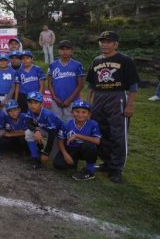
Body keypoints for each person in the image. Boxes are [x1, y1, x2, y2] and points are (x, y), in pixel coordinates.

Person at [86, 31, 139, 184]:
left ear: (116, 44)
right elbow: (91, 84)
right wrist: (89, 102)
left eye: (108, 42)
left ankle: (116, 168)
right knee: (100, 131)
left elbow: (133, 85)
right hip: (99, 97)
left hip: (117, 97)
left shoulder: (125, 60)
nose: (104, 44)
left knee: (117, 133)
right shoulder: (96, 61)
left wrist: (130, 105)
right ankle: (107, 162)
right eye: (102, 41)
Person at [54, 101, 101, 181]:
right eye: (77, 111)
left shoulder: (93, 124)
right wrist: (65, 154)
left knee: (90, 146)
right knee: (58, 165)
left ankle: (90, 170)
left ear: (89, 114)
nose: (80, 115)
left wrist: (77, 136)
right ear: (72, 112)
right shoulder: (67, 124)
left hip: (84, 149)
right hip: (71, 148)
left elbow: (97, 141)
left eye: (84, 112)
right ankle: (73, 162)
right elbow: (60, 140)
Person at [24, 91, 65, 169]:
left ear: (41, 104)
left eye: (35, 102)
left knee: (55, 161)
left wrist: (46, 153)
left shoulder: (47, 114)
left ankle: (44, 152)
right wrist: (36, 131)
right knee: (28, 132)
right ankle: (35, 158)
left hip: (58, 135)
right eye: (30, 102)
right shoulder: (30, 110)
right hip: (46, 131)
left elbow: (52, 134)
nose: (32, 105)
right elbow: (28, 123)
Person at [47, 40, 85, 121]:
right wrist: (54, 97)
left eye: (67, 49)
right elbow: (49, 83)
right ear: (58, 51)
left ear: (71, 51)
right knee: (56, 122)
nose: (65, 51)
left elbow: (80, 84)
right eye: (62, 49)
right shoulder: (53, 65)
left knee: (72, 122)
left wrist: (70, 99)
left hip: (72, 100)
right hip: (56, 100)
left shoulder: (77, 65)